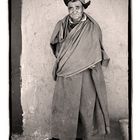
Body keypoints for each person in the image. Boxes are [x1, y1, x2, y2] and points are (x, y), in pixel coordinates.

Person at [50, 0, 110, 139]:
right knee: (64, 107)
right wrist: (65, 55)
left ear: (83, 8)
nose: (74, 11)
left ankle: (82, 137)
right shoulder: (61, 25)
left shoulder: (92, 26)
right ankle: (63, 136)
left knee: (85, 108)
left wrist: (87, 59)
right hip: (66, 72)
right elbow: (55, 45)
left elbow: (96, 48)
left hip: (85, 74)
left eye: (77, 7)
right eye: (70, 8)